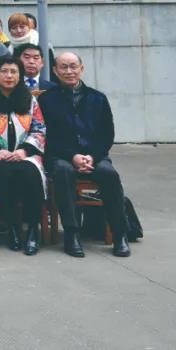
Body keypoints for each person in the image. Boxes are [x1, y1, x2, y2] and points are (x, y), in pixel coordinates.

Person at [39, 52, 131, 257]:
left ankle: (119, 233)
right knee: (63, 171)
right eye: (63, 67)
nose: (69, 71)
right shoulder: (46, 99)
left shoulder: (98, 98)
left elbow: (107, 135)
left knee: (109, 173)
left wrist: (92, 157)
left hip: (94, 156)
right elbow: (46, 136)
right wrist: (72, 156)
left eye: (73, 66)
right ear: (55, 71)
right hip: (61, 156)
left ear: (82, 68)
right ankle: (71, 233)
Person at [0, 56, 48, 255]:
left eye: (14, 72)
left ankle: (32, 229)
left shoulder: (30, 100)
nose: (9, 76)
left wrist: (24, 151)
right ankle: (13, 228)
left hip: (26, 154)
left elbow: (39, 129)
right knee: (6, 174)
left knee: (30, 173)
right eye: (4, 71)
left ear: (20, 75)